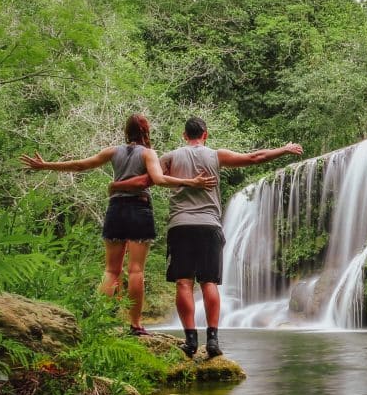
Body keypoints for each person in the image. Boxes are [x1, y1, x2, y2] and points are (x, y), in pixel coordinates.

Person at [113, 116, 302, 358]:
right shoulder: (215, 155)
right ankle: (212, 339)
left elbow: (148, 179)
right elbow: (255, 157)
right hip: (209, 226)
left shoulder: (170, 158)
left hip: (180, 225)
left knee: (183, 283)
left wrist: (119, 186)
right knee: (209, 283)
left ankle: (190, 340)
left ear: (184, 135)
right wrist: (284, 149)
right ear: (205, 134)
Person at [19, 114, 215, 335]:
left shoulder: (113, 151)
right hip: (139, 209)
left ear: (126, 131)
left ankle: (98, 322)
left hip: (116, 209)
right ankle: (136, 324)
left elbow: (80, 165)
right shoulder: (148, 153)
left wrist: (46, 166)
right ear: (145, 131)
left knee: (111, 270)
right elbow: (159, 180)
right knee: (136, 271)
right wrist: (192, 182)